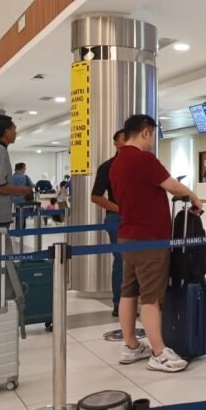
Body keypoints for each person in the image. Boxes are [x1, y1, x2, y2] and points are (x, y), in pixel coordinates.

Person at [110, 114, 203, 372]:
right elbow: (172, 186)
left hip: (127, 236)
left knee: (129, 291)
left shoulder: (117, 162)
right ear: (146, 132)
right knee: (151, 297)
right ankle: (159, 352)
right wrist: (193, 196)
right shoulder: (143, 159)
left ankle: (130, 345)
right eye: (153, 135)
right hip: (149, 238)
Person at [91, 129, 127, 317]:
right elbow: (96, 196)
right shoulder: (108, 167)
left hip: (139, 219)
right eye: (125, 139)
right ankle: (119, 303)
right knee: (121, 260)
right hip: (117, 219)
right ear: (116, 143)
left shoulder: (140, 163)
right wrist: (119, 209)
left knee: (139, 261)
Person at [11, 162, 34, 230]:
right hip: (23, 200)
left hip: (12, 201)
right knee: (22, 217)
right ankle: (20, 231)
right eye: (24, 168)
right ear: (22, 168)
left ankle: (14, 230)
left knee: (14, 216)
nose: (25, 170)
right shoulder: (25, 177)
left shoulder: (10, 178)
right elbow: (31, 186)